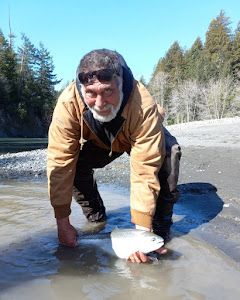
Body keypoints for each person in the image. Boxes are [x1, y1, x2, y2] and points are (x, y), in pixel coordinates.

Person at [47, 49, 181, 263]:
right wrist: (62, 223)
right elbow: (60, 164)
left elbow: (145, 170)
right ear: (82, 88)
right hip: (100, 140)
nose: (100, 103)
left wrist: (142, 234)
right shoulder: (67, 104)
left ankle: (161, 230)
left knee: (170, 153)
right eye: (91, 93)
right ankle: (96, 220)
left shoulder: (143, 105)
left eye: (108, 91)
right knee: (73, 165)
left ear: (120, 83)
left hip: (135, 136)